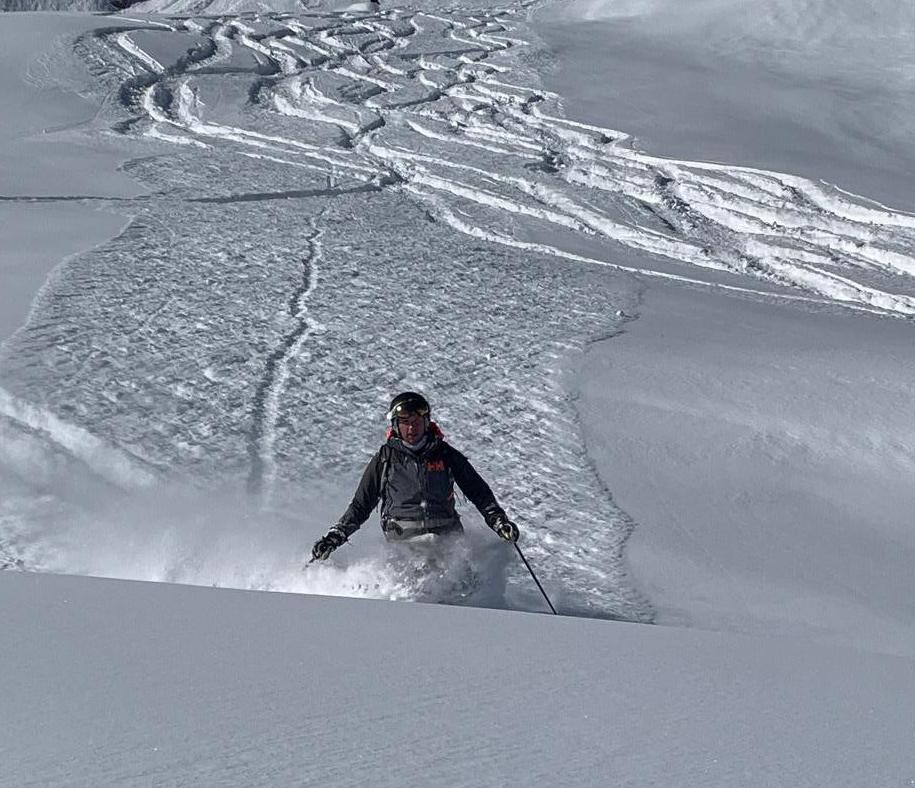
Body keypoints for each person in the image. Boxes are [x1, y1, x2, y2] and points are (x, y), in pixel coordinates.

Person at [311, 391, 519, 561]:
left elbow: (478, 491)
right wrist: (336, 535)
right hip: (404, 541)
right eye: (405, 422)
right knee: (409, 589)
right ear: (395, 426)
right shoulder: (386, 459)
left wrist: (498, 520)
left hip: (446, 537)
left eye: (418, 421)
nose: (412, 427)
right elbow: (361, 505)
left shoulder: (445, 454)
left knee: (465, 588)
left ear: (427, 422)